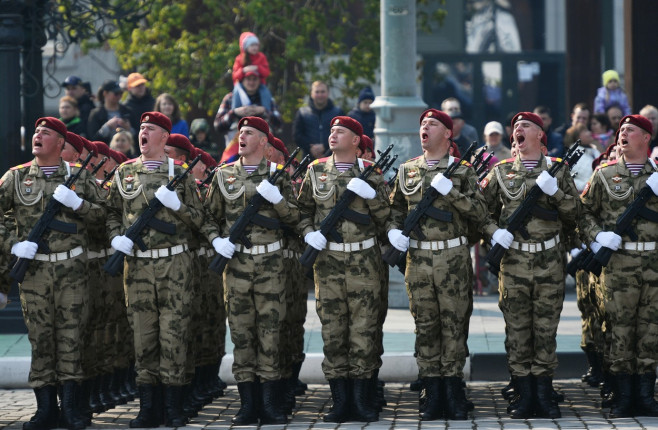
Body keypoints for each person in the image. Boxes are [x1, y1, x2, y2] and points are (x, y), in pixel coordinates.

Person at [0, 117, 104, 430]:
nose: (37, 136)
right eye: (36, 132)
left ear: (61, 143)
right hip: (34, 272)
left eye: (46, 133)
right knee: (41, 340)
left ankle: (71, 409)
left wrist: (78, 205)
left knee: (71, 339)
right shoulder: (15, 178)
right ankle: (45, 410)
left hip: (71, 269)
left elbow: (105, 216)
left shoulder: (79, 176)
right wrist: (13, 245)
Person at [388, 109, 491, 421]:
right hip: (418, 260)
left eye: (432, 124)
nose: (425, 128)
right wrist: (393, 231)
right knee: (426, 327)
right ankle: (431, 394)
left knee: (454, 326)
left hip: (452, 258)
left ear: (448, 134)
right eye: (422, 124)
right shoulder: (407, 171)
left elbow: (480, 214)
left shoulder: (463, 172)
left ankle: (453, 392)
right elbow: (394, 209)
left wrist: (454, 194)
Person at [105, 112, 206, 428]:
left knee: (173, 336)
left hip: (174, 264)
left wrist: (178, 206)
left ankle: (173, 408)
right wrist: (116, 237)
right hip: (137, 267)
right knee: (143, 337)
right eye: (141, 129)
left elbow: (201, 221)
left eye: (150, 129)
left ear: (165, 137)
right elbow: (110, 213)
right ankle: (148, 408)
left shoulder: (181, 174)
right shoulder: (124, 173)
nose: (142, 133)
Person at [479, 112, 581, 419]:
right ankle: (523, 395)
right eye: (515, 128)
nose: (517, 130)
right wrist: (493, 234)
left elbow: (577, 212)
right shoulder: (500, 171)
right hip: (514, 262)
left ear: (540, 135)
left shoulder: (558, 170)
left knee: (546, 331)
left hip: (549, 260)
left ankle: (543, 393)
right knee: (518, 331)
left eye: (526, 126)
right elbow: (481, 212)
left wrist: (556, 193)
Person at [200, 116, 299, 425]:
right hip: (237, 265)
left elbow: (297, 218)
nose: (242, 136)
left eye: (250, 133)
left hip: (271, 265)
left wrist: (279, 201)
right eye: (240, 132)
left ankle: (270, 405)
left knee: (270, 334)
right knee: (242, 335)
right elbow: (207, 217)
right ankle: (248, 405)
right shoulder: (223, 176)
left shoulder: (278, 176)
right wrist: (216, 240)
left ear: (263, 142)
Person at [296, 116, 390, 423]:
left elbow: (386, 218)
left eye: (341, 131)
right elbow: (302, 213)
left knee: (363, 333)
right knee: (333, 334)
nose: (333, 134)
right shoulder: (315, 170)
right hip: (328, 264)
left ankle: (361, 401)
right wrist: (309, 231)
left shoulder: (370, 172)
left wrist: (371, 196)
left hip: (364, 263)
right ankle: (340, 402)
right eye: (332, 130)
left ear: (355, 140)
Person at [580, 114, 658, 418]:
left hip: (653, 263)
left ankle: (645, 395)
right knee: (619, 330)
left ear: (646, 138)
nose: (622, 135)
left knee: (650, 331)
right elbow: (584, 213)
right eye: (621, 130)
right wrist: (598, 236)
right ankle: (623, 395)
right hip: (619, 264)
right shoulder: (604, 174)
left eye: (630, 131)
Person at [293, 81, 344, 159]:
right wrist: (311, 148)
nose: (320, 95)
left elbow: (343, 134)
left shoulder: (338, 112)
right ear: (311, 94)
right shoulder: (302, 113)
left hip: (334, 158)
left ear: (328, 93)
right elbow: (297, 136)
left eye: (323, 92)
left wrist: (325, 146)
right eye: (317, 92)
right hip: (308, 159)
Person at [87, 80, 135, 144]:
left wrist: (129, 129)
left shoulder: (127, 111)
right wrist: (107, 127)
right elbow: (92, 138)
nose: (119, 96)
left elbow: (137, 136)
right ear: (105, 93)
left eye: (121, 93)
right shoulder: (96, 114)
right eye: (116, 93)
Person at [123, 73, 155, 139]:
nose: (141, 88)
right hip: (135, 143)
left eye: (142, 84)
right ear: (129, 88)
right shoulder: (125, 107)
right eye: (137, 85)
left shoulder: (154, 102)